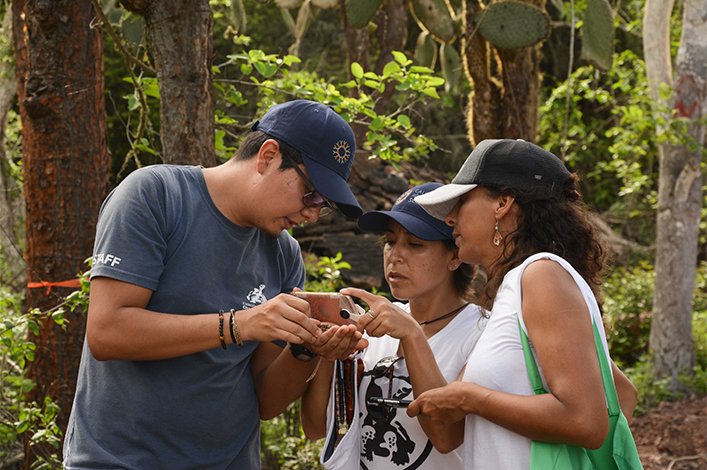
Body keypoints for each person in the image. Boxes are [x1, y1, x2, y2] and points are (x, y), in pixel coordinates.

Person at [63, 100, 366, 469]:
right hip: (121, 460)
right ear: (268, 156)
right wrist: (239, 324)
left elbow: (266, 401)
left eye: (324, 204)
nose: (312, 213)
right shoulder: (156, 196)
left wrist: (307, 349)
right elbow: (107, 333)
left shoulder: (284, 254)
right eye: (311, 193)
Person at [407, 139, 638, 469]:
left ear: (502, 203)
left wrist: (472, 398)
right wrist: (411, 336)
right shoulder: (514, 292)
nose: (450, 219)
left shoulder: (541, 274)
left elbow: (587, 422)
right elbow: (446, 437)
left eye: (462, 202)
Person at [301, 183, 488, 469]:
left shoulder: (481, 332)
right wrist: (330, 357)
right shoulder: (373, 325)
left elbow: (447, 436)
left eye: (415, 244)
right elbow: (315, 428)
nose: (395, 256)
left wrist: (412, 334)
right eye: (390, 241)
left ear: (455, 256)